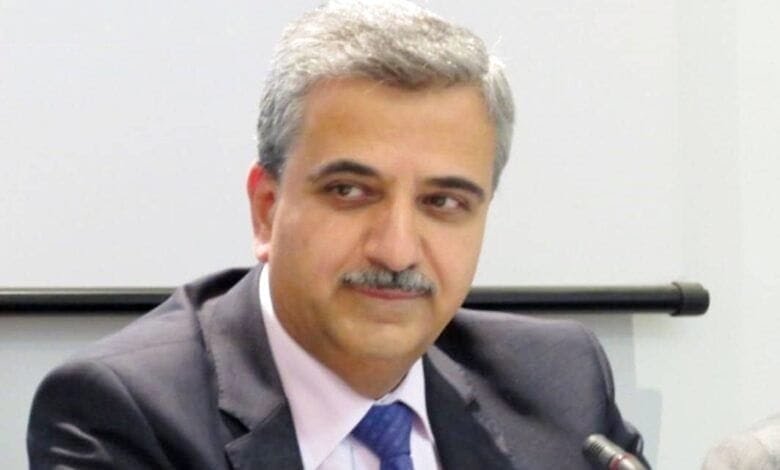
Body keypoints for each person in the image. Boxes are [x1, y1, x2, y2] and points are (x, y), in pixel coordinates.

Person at [27, 1, 646, 468]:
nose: (396, 251)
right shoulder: (124, 412)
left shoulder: (558, 381)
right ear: (267, 210)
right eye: (350, 192)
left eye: (443, 202)